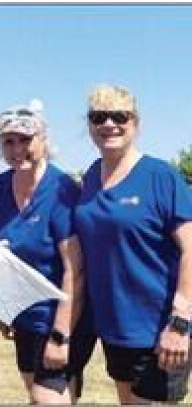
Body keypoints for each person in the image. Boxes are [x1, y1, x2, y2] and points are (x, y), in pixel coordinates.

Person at [75, 84, 192, 403]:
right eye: (99, 117)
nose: (109, 124)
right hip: (114, 327)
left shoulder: (160, 176)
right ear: (89, 126)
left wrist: (181, 323)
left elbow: (191, 250)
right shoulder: (90, 178)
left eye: (119, 116)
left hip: (158, 329)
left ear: (135, 123)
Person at [0, 99, 93, 404]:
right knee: (37, 393)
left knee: (45, 399)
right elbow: (2, 253)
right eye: (9, 141)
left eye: (26, 140)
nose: (18, 148)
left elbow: (76, 269)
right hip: (26, 319)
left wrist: (61, 336)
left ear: (44, 141)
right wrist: (5, 308)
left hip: (64, 317)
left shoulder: (62, 189)